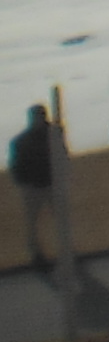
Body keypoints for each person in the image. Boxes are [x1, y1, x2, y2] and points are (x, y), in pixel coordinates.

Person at [10, 105, 51, 270]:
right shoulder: (23, 141)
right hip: (36, 186)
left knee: (55, 219)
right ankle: (37, 255)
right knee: (33, 223)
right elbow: (17, 165)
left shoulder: (52, 136)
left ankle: (58, 252)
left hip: (47, 184)